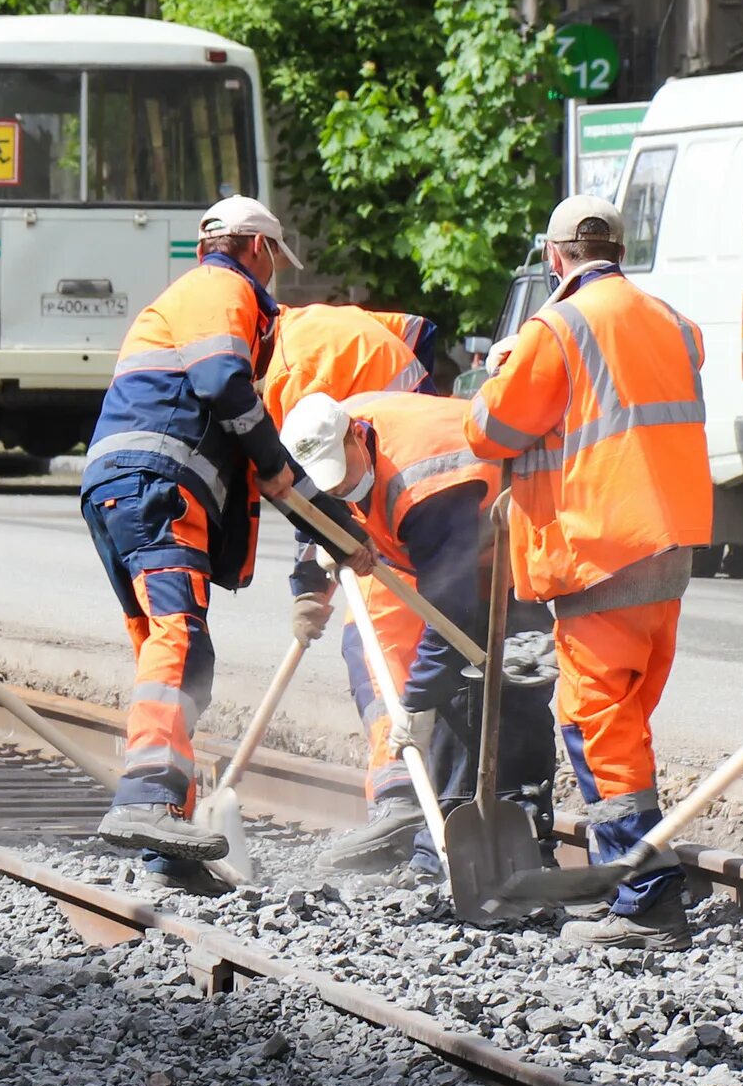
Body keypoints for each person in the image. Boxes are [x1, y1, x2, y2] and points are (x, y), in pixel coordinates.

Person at [464, 194, 714, 950]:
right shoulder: (671, 320)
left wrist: (500, 368)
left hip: (600, 551)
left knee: (593, 724)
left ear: (553, 258)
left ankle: (644, 897)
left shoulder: (557, 327)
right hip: (668, 549)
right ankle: (645, 874)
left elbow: (489, 430)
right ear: (619, 248)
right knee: (627, 722)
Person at [76, 195, 306, 863]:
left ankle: (165, 846)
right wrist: (274, 462)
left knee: (177, 651)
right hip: (156, 487)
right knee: (177, 639)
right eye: (273, 263)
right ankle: (146, 798)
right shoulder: (221, 287)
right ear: (257, 249)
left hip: (128, 488)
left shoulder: (190, 294)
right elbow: (221, 382)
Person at [281, 392, 546, 874]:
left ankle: (501, 847)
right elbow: (314, 516)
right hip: (472, 557)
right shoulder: (327, 452)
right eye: (329, 485)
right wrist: (308, 586)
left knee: (500, 695)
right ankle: (450, 850)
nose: (339, 489)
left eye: (342, 474)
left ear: (356, 435)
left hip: (524, 552)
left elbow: (451, 612)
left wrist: (417, 703)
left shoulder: (425, 486)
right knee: (465, 699)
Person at [261, 303, 448, 425]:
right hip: (426, 418)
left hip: (398, 434)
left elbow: (292, 467)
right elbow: (421, 329)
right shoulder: (312, 314)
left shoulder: (286, 377)